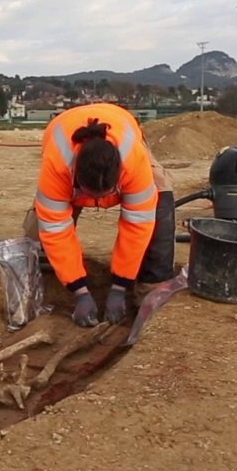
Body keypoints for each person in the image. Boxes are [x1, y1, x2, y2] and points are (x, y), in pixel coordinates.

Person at [24, 103, 176, 327]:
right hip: (65, 134)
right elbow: (56, 229)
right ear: (76, 180)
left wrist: (119, 287)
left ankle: (151, 290)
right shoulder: (57, 166)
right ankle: (47, 280)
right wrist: (79, 290)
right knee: (41, 231)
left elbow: (137, 226)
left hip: (123, 130)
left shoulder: (134, 163)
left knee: (160, 197)